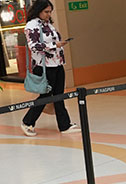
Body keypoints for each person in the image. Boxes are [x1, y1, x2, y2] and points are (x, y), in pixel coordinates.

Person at [20, 0, 80, 136]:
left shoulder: (47, 24)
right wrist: (54, 46)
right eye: (46, 11)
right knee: (45, 96)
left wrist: (58, 45)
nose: (49, 14)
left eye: (50, 12)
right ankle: (27, 122)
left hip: (56, 64)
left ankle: (64, 125)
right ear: (38, 10)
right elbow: (33, 46)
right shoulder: (32, 25)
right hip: (44, 66)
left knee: (59, 95)